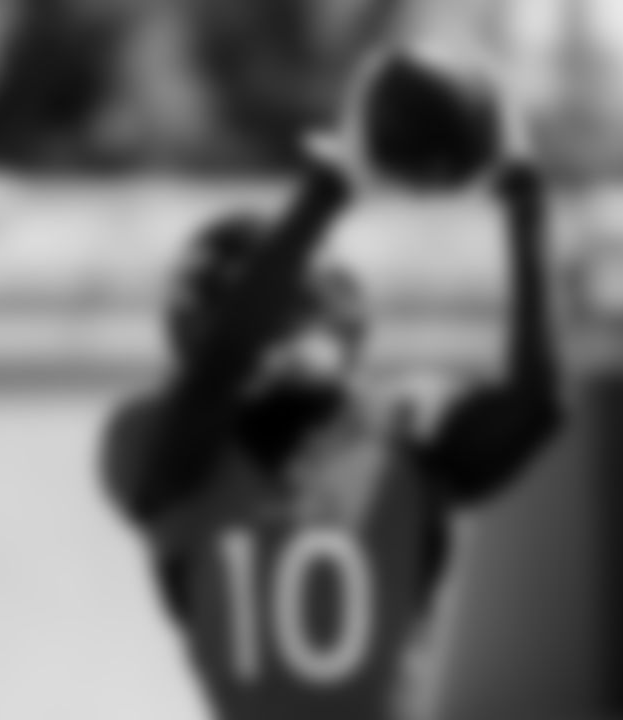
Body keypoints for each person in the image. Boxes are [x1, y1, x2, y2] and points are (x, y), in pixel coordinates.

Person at [99, 51, 564, 720]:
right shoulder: (161, 452)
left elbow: (536, 406)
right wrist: (330, 188)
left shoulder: (392, 438)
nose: (292, 327)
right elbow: (225, 363)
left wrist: (525, 200)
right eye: (282, 306)